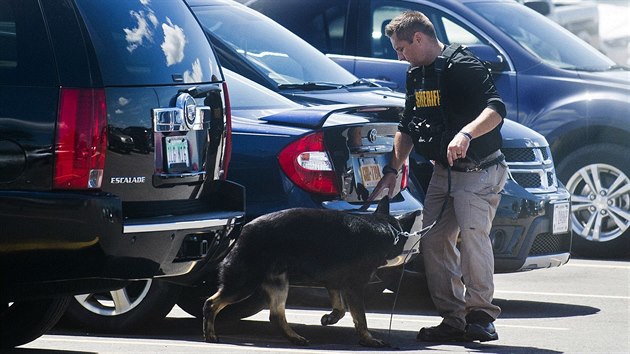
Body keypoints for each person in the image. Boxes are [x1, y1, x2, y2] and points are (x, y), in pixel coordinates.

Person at [369, 11, 509, 343]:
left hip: (478, 171)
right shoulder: (416, 75)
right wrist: (393, 169)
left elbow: (496, 109)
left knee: (473, 240)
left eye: (401, 49)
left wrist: (465, 134)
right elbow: (407, 125)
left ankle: (481, 316)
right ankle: (453, 319)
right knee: (432, 241)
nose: (399, 57)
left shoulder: (463, 65)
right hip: (442, 173)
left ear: (419, 38)